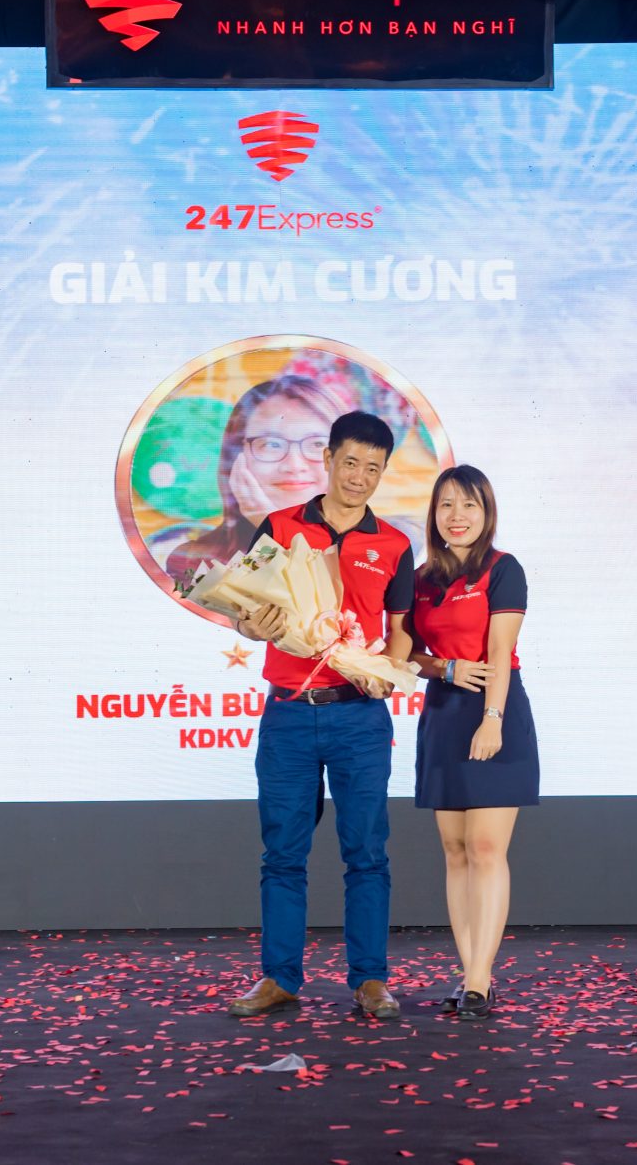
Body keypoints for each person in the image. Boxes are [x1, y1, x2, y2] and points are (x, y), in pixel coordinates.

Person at [226, 411, 416, 1022]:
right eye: (350, 462)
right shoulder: (281, 527)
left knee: (367, 854)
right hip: (289, 714)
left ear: (382, 473)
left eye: (372, 468)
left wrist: (389, 670)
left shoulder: (394, 545)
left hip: (360, 719)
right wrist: (252, 625)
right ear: (328, 459)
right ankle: (279, 978)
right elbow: (243, 612)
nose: (359, 477)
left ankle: (370, 980)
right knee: (282, 854)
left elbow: (402, 632)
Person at [402, 465, 536, 1020]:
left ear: (487, 513)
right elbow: (406, 654)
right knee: (455, 851)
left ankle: (480, 979)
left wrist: (493, 719)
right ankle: (469, 973)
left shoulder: (503, 569)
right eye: (446, 505)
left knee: (485, 848)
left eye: (469, 505)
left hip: (494, 709)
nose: (457, 517)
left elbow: (500, 651)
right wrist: (445, 668)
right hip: (443, 712)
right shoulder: (419, 579)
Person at [164, 375, 347, 582]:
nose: (294, 466)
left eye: (318, 444)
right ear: (236, 455)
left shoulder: (370, 551)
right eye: (271, 444)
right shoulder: (192, 561)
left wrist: (274, 530)